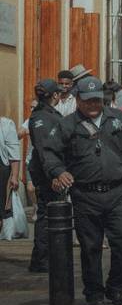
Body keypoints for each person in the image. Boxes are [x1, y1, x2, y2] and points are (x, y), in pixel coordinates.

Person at [41, 76, 122, 305]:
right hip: (85, 195)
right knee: (90, 247)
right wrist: (58, 172)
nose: (93, 105)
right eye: (88, 101)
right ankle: (94, 293)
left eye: (97, 100)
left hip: (118, 193)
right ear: (78, 99)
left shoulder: (120, 119)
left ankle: (117, 288)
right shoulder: (67, 124)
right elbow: (49, 153)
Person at [26, 79, 61, 272]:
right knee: (46, 216)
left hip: (51, 171)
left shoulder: (47, 114)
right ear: (54, 95)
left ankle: (47, 256)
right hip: (47, 174)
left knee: (51, 215)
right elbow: (44, 150)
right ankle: (41, 259)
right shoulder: (41, 118)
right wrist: (53, 174)